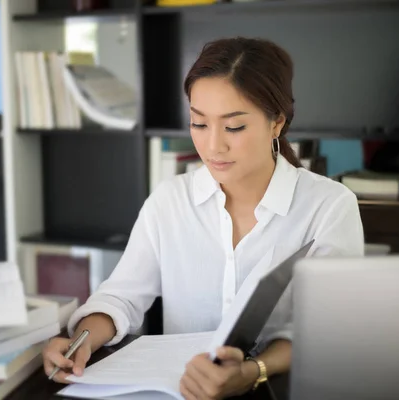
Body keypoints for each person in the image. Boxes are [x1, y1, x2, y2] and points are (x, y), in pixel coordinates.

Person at [43, 37, 364, 399]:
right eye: (199, 123)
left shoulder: (328, 206)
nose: (213, 146)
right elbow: (120, 298)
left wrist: (253, 371)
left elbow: (329, 330)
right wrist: (79, 342)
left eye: (234, 127)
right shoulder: (170, 201)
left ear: (276, 122)